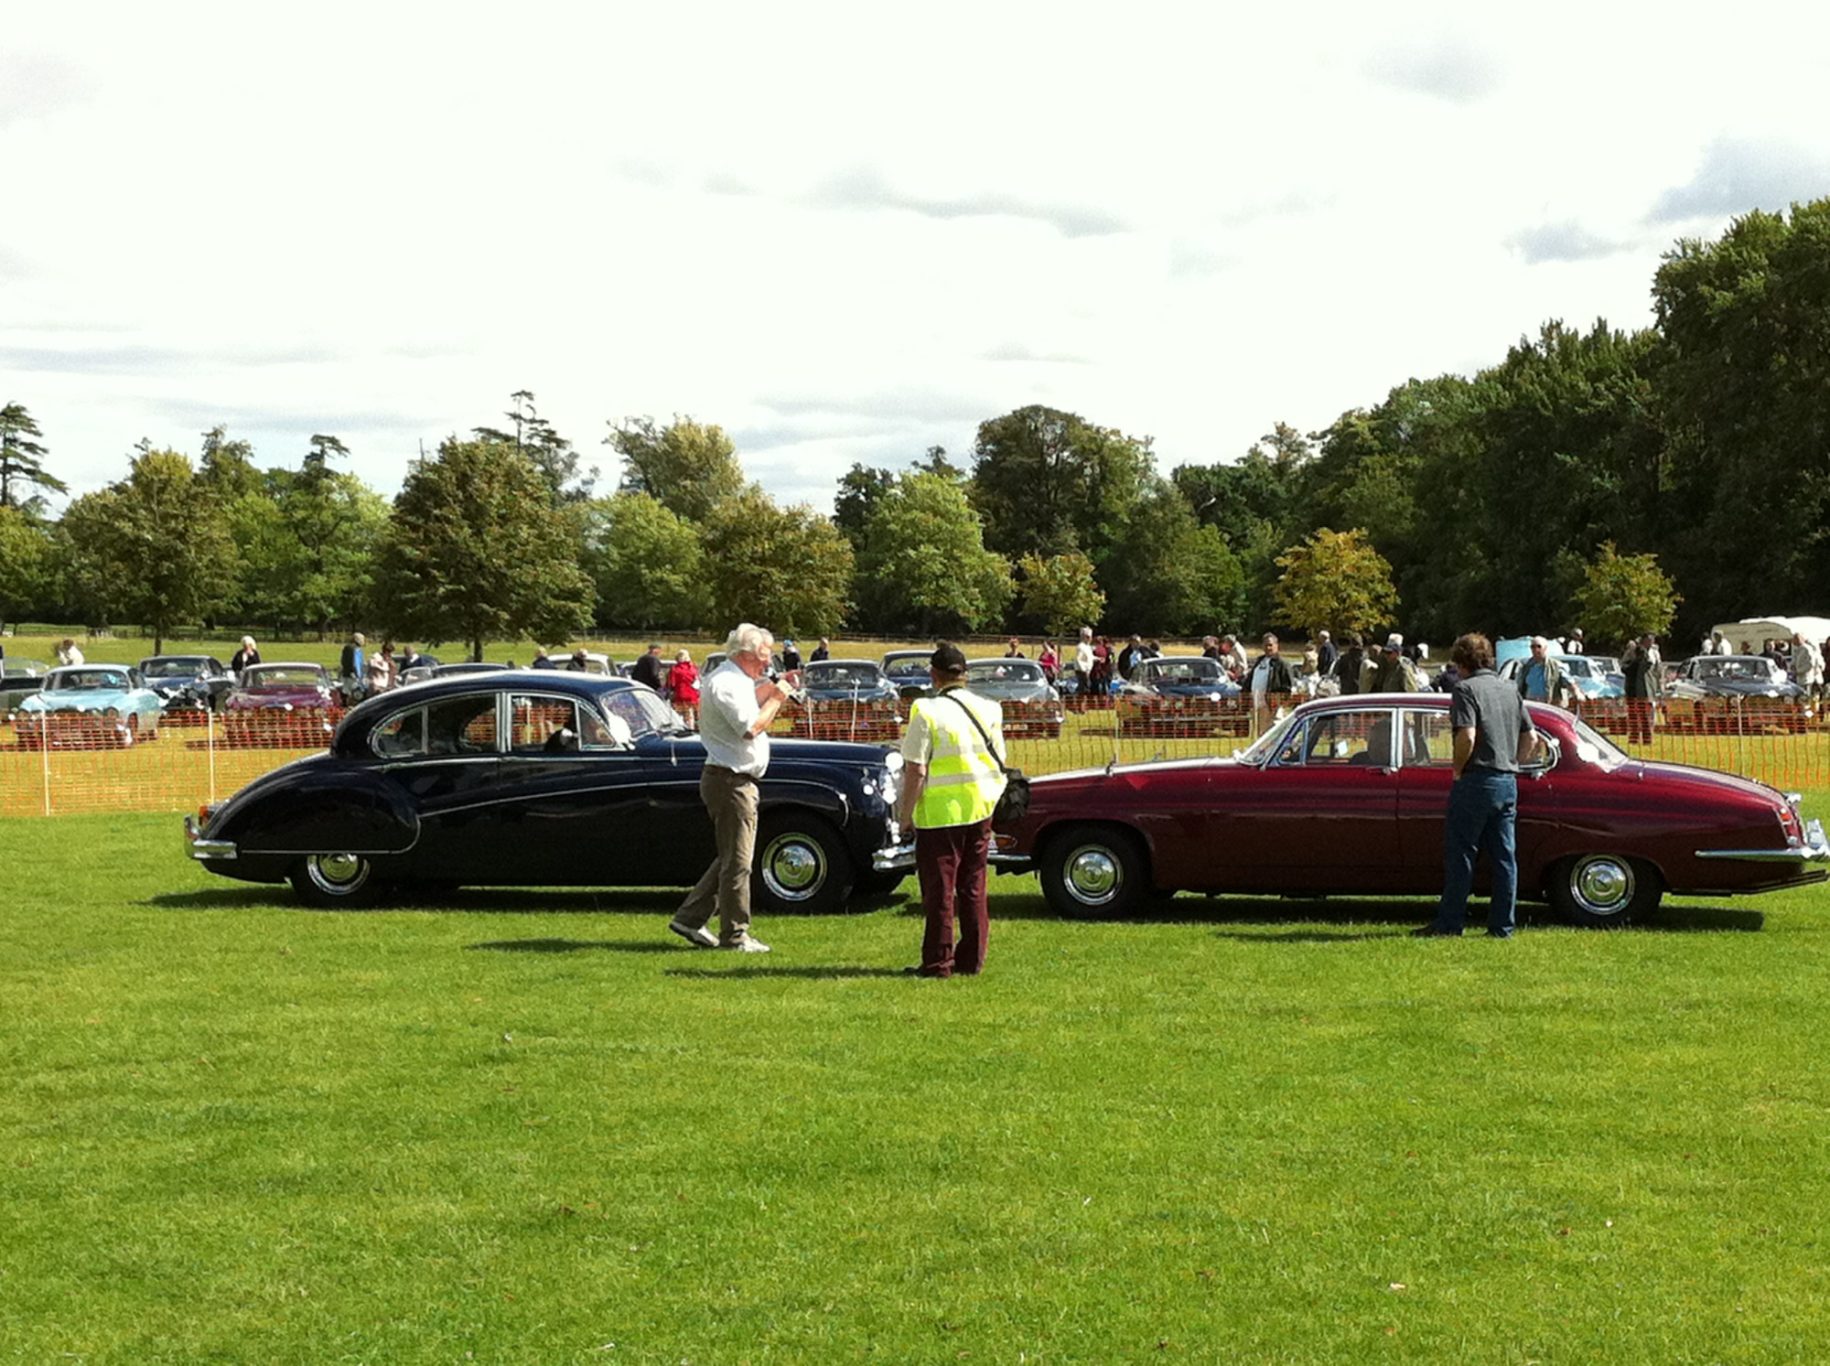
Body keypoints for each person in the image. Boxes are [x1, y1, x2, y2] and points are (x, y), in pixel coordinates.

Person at [668, 623, 798, 953]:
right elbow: (750, 727)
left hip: (736, 780)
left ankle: (689, 918)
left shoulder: (736, 680)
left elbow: (749, 704)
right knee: (738, 863)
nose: (768, 662)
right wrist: (778, 698)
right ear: (746, 654)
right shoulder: (725, 682)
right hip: (730, 781)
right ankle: (735, 935)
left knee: (732, 857)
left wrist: (772, 688)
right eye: (764, 655)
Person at [1417, 633, 1541, 938]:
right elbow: (1532, 737)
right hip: (1507, 780)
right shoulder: (1509, 688)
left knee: (1461, 854)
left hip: (1476, 779)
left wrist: (1457, 769)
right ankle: (1502, 926)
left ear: (1462, 663)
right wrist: (1514, 762)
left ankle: (1450, 923)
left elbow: (1467, 736)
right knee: (1505, 858)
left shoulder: (1465, 689)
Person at [897, 644, 1007, 978]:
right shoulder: (990, 708)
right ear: (964, 674)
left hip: (940, 814)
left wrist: (905, 816)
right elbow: (1000, 759)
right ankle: (971, 959)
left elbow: (916, 769)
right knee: (974, 886)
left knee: (939, 892)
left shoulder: (925, 710)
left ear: (934, 675)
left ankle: (938, 962)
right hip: (980, 808)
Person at [1248, 633, 1295, 730]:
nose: (1268, 648)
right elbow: (1249, 680)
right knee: (1261, 733)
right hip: (1257, 706)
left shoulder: (1282, 664)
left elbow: (1289, 687)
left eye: (1270, 645)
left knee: (1274, 732)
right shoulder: (1259, 662)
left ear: (1276, 645)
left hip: (1273, 707)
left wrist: (1278, 702)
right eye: (1265, 645)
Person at [1622, 633, 1661, 744]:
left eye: (1652, 640)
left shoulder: (1655, 653)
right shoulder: (1632, 651)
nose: (1650, 642)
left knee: (1646, 715)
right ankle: (1634, 738)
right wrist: (1636, 661)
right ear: (1643, 640)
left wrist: (1658, 688)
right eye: (1648, 640)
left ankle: (1647, 739)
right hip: (1633, 687)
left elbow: (1657, 671)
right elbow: (1624, 667)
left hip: (1648, 689)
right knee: (1633, 714)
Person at [1514, 636, 1570, 707]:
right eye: (1533, 647)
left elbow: (1568, 681)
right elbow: (1518, 685)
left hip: (1548, 705)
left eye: (1539, 646)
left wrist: (1577, 693)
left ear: (1545, 648)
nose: (1535, 649)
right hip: (1529, 704)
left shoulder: (1555, 665)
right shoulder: (1526, 666)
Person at [667, 649, 701, 729]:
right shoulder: (693, 668)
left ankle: (683, 728)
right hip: (693, 696)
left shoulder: (675, 669)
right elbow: (698, 681)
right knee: (691, 715)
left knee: (679, 715)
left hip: (680, 695)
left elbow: (671, 684)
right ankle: (692, 727)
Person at [1794, 633, 1825, 703]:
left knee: (1809, 698)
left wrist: (1799, 671)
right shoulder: (1799, 650)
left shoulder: (1808, 650)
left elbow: (1811, 664)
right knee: (1808, 698)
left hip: (1809, 679)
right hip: (1804, 679)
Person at [339, 632, 366, 704]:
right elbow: (355, 663)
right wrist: (356, 674)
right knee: (354, 692)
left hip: (349, 674)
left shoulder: (349, 648)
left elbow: (343, 661)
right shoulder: (354, 649)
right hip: (353, 675)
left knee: (347, 691)